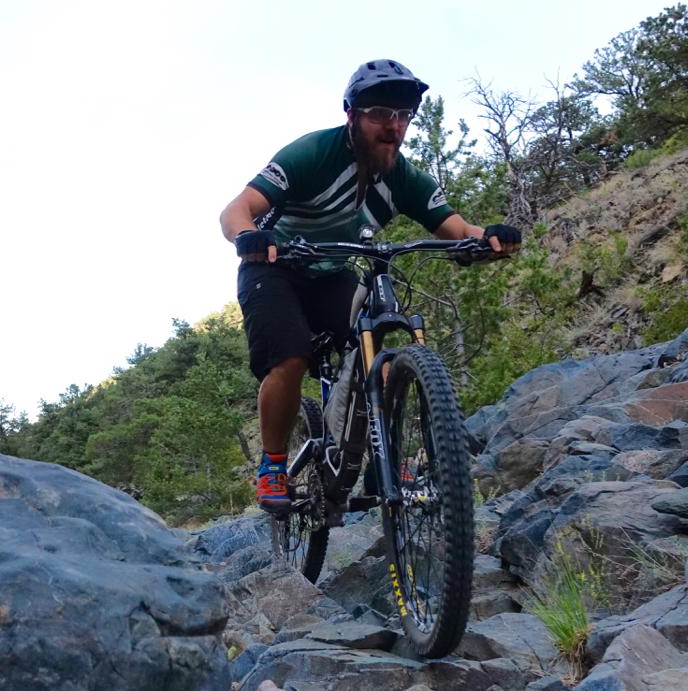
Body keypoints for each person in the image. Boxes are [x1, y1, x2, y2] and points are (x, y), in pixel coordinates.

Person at [219, 59, 522, 512]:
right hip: (276, 266)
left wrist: (490, 238)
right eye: (381, 113)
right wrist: (249, 237)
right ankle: (273, 465)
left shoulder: (404, 177)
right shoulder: (313, 154)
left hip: (333, 272)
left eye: (403, 117)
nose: (393, 126)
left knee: (372, 354)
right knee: (290, 357)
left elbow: (456, 227)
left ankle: (388, 455)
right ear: (351, 114)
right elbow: (237, 209)